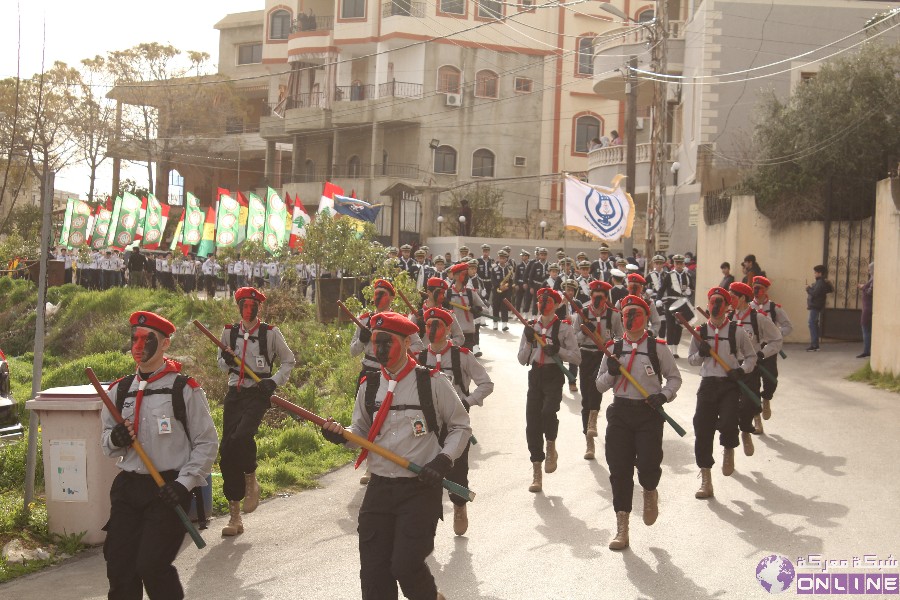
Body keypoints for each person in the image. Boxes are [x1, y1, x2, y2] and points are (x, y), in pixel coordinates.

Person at [320, 312, 471, 600]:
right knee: (374, 574)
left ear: (405, 342)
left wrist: (444, 460)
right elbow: (361, 433)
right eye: (376, 342)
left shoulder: (432, 383)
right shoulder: (370, 385)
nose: (380, 349)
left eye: (387, 342)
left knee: (405, 565)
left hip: (419, 489)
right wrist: (341, 436)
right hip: (379, 489)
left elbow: (460, 426)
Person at [101, 311, 218, 599]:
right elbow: (106, 443)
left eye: (147, 339)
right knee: (120, 567)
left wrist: (184, 484)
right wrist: (115, 438)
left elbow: (207, 443)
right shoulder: (118, 391)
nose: (138, 346)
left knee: (152, 566)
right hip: (129, 488)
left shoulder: (184, 389)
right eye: (134, 339)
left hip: (168, 488)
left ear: (165, 344)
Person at [596, 295, 681, 550]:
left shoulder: (658, 348)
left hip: (648, 413)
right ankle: (622, 527)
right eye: (626, 314)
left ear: (645, 318)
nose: (630, 319)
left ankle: (650, 491)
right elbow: (599, 385)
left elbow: (674, 379)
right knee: (619, 470)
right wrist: (611, 372)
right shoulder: (613, 348)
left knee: (648, 463)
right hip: (620, 411)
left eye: (636, 314)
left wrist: (663, 396)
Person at [217, 287, 296, 536]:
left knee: (242, 436)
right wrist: (228, 361)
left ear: (258, 308)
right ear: (238, 307)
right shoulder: (228, 332)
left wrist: (274, 381)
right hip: (235, 393)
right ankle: (235, 517)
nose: (248, 309)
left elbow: (288, 360)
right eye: (244, 305)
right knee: (227, 448)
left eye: (252, 305)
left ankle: (251, 477)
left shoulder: (270, 333)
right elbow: (219, 362)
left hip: (259, 392)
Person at [416, 307, 493, 536]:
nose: (432, 329)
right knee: (424, 470)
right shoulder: (419, 358)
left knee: (457, 470)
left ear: (449, 328)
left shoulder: (463, 356)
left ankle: (459, 506)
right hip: (427, 426)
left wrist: (468, 401)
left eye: (438, 324)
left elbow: (486, 384)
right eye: (429, 325)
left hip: (455, 425)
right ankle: (425, 517)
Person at [688, 288, 757, 499]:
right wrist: (700, 352)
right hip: (708, 384)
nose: (715, 306)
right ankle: (706, 479)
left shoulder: (736, 331)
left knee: (728, 422)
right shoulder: (700, 332)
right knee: (702, 427)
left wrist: (741, 370)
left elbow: (751, 358)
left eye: (719, 302)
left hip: (729, 384)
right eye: (711, 302)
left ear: (728, 307)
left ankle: (729, 448)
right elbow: (691, 360)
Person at [517, 287, 581, 492]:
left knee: (548, 412)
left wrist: (558, 351)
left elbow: (576, 357)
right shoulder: (530, 327)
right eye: (540, 302)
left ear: (555, 306)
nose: (543, 306)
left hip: (554, 375)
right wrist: (528, 341)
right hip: (536, 375)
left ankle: (551, 444)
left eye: (547, 302)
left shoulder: (564, 329)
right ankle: (537, 469)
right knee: (532, 422)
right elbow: (521, 360)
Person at [728, 281, 782, 454]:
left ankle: (747, 429)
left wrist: (763, 353)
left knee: (749, 401)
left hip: (751, 366)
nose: (729, 300)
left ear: (743, 298)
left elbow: (777, 339)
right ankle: (729, 447)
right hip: (732, 368)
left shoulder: (758, 318)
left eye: (733, 296)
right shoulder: (728, 317)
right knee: (729, 408)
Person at [571, 280, 622, 460]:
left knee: (597, 385)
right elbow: (573, 337)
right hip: (586, 354)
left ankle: (594, 416)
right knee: (586, 395)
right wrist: (585, 332)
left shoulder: (614, 315)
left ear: (606, 298)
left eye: (601, 297)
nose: (597, 301)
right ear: (591, 297)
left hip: (603, 355)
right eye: (594, 296)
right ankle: (589, 440)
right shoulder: (582, 314)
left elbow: (620, 337)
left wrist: (610, 344)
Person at [750, 276, 793, 432]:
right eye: (754, 287)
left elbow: (788, 326)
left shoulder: (775, 308)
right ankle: (756, 420)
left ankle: (766, 397)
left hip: (769, 350)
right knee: (752, 384)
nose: (756, 291)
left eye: (760, 288)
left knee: (771, 380)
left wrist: (776, 333)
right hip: (753, 351)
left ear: (766, 290)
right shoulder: (747, 308)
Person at [446, 262, 486, 352]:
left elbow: (485, 309)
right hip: (453, 333)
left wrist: (478, 309)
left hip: (468, 333)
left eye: (467, 275)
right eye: (464, 274)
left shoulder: (470, 293)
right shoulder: (447, 293)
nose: (466, 277)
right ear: (455, 276)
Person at [658, 254, 691, 358]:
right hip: (670, 303)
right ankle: (670, 349)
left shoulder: (687, 275)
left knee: (679, 327)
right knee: (670, 326)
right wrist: (658, 299)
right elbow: (662, 288)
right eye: (677, 263)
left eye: (681, 263)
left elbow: (691, 288)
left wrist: (690, 292)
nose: (679, 265)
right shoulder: (669, 275)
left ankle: (675, 350)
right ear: (674, 264)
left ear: (683, 264)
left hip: (682, 303)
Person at [805, 265, 832, 351]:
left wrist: (808, 288)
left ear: (820, 273)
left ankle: (814, 345)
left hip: (815, 306)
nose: (814, 274)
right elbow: (830, 290)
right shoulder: (822, 282)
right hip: (816, 305)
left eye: (815, 272)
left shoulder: (820, 282)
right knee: (814, 324)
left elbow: (815, 293)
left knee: (812, 324)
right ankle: (815, 344)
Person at [490, 249, 515, 331]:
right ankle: (495, 324)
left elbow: (511, 281)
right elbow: (493, 280)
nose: (502, 260)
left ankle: (504, 324)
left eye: (503, 258)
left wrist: (508, 287)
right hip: (497, 290)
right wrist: (499, 287)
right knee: (496, 306)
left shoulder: (509, 268)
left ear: (506, 259)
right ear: (498, 258)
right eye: (500, 258)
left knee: (505, 307)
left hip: (506, 290)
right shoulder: (494, 268)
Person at [858, 262, 873, 358]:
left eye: (869, 268)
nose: (868, 270)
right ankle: (866, 350)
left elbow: (870, 292)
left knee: (865, 328)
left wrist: (863, 287)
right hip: (867, 307)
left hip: (868, 308)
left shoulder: (874, 279)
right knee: (866, 329)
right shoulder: (872, 279)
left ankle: (866, 351)